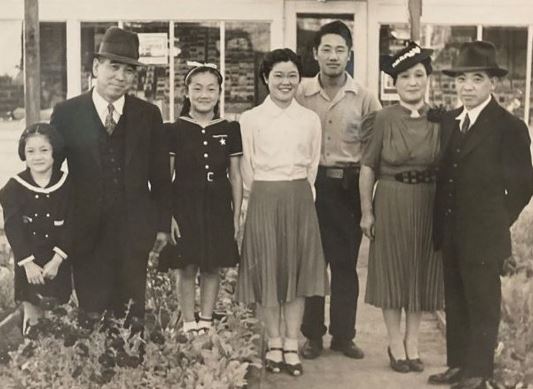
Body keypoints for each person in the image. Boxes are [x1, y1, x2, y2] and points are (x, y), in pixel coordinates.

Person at [429, 41, 533, 389]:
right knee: (456, 299)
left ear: (493, 83)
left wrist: (496, 221)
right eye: (461, 80)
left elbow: (522, 186)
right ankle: (458, 364)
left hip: (485, 233)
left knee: (482, 301)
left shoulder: (508, 126)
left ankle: (480, 372)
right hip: (451, 230)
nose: (467, 87)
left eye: (476, 79)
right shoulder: (453, 121)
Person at [50, 27, 171, 323]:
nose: (120, 76)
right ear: (95, 67)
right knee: (91, 310)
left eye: (129, 70)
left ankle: (132, 366)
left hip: (133, 230)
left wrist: (162, 225)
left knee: (131, 312)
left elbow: (160, 176)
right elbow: (51, 175)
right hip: (86, 230)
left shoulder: (148, 114)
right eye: (113, 66)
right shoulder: (67, 113)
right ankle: (96, 364)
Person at [237, 48, 328, 377]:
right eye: (278, 75)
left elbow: (313, 164)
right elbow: (246, 166)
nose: (286, 82)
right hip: (264, 196)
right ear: (266, 79)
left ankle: (292, 343)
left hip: (299, 197)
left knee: (296, 274)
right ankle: (273, 342)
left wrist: (299, 194)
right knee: (269, 274)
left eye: (292, 75)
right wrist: (256, 199)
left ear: (299, 79)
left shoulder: (309, 119)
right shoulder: (250, 119)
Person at [296, 20, 381, 360]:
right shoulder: (299, 92)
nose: (333, 56)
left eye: (340, 50)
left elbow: (374, 150)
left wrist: (367, 205)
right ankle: (312, 336)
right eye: (326, 49)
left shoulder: (364, 98)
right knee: (313, 264)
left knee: (345, 266)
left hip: (348, 188)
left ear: (350, 55)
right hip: (311, 187)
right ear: (315, 53)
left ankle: (344, 336)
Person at [359, 41, 444, 373]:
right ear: (394, 83)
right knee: (394, 271)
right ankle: (395, 343)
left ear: (427, 80)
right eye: (405, 76)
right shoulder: (382, 118)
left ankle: (413, 342)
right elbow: (368, 167)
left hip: (428, 202)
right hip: (392, 200)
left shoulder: (440, 118)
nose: (412, 82)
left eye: (419, 75)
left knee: (421, 272)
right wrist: (367, 211)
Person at [158, 62, 242, 337]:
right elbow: (165, 176)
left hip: (217, 203)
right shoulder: (173, 129)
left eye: (211, 89)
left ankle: (206, 321)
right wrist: (168, 215)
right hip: (185, 203)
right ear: (187, 93)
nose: (204, 94)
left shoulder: (230, 129)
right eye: (197, 89)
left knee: (212, 264)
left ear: (219, 93)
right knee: (186, 264)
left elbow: (236, 176)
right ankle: (188, 321)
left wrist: (236, 213)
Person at [0, 123, 72, 333]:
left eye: (44, 150)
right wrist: (27, 264)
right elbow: (13, 227)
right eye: (30, 151)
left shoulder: (68, 185)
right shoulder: (14, 187)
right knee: (34, 323)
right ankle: (33, 362)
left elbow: (74, 225)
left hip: (59, 263)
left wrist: (57, 260)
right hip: (28, 265)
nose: (37, 157)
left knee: (61, 321)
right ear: (23, 153)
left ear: (54, 152)